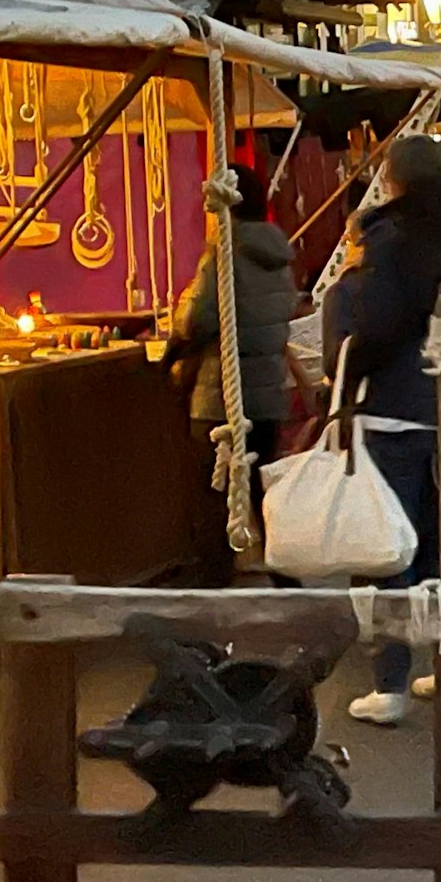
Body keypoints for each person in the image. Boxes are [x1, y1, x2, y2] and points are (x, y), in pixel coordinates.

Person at [327, 137, 441, 725]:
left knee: (388, 546)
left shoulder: (391, 238)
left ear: (395, 179)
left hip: (396, 403)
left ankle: (389, 683)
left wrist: (350, 370)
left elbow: (378, 325)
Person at [168, 163, 296, 586]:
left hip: (221, 394)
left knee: (214, 493)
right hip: (267, 392)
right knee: (261, 492)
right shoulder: (280, 256)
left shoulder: (223, 251)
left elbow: (197, 319)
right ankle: (288, 580)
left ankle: (210, 586)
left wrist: (173, 338)